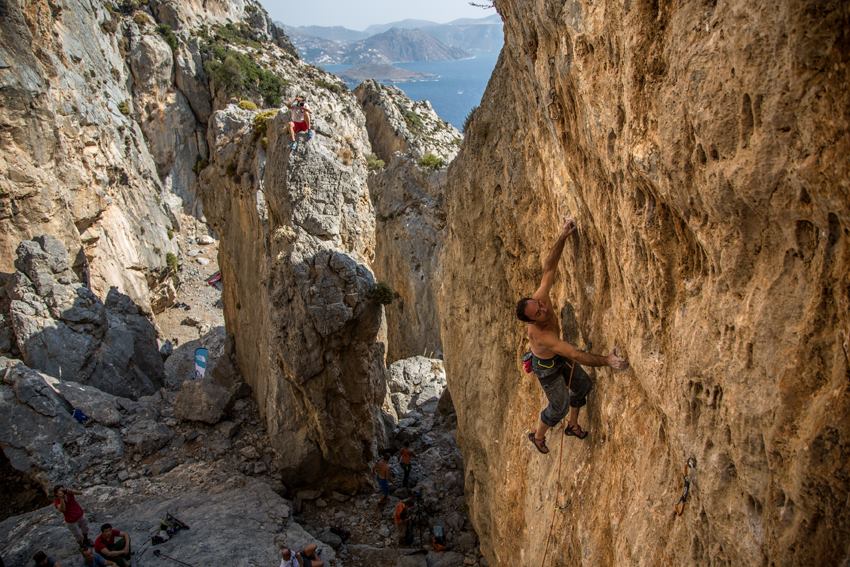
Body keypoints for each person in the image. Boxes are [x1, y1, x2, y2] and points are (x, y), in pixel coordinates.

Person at [516, 217, 629, 455]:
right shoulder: (542, 335)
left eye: (539, 304)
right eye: (538, 312)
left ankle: (573, 425)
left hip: (555, 358)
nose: (544, 308)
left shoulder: (541, 298)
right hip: (546, 367)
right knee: (559, 405)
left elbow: (549, 268)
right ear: (532, 320)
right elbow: (575, 354)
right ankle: (537, 436)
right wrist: (607, 360)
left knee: (583, 385)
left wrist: (563, 236)